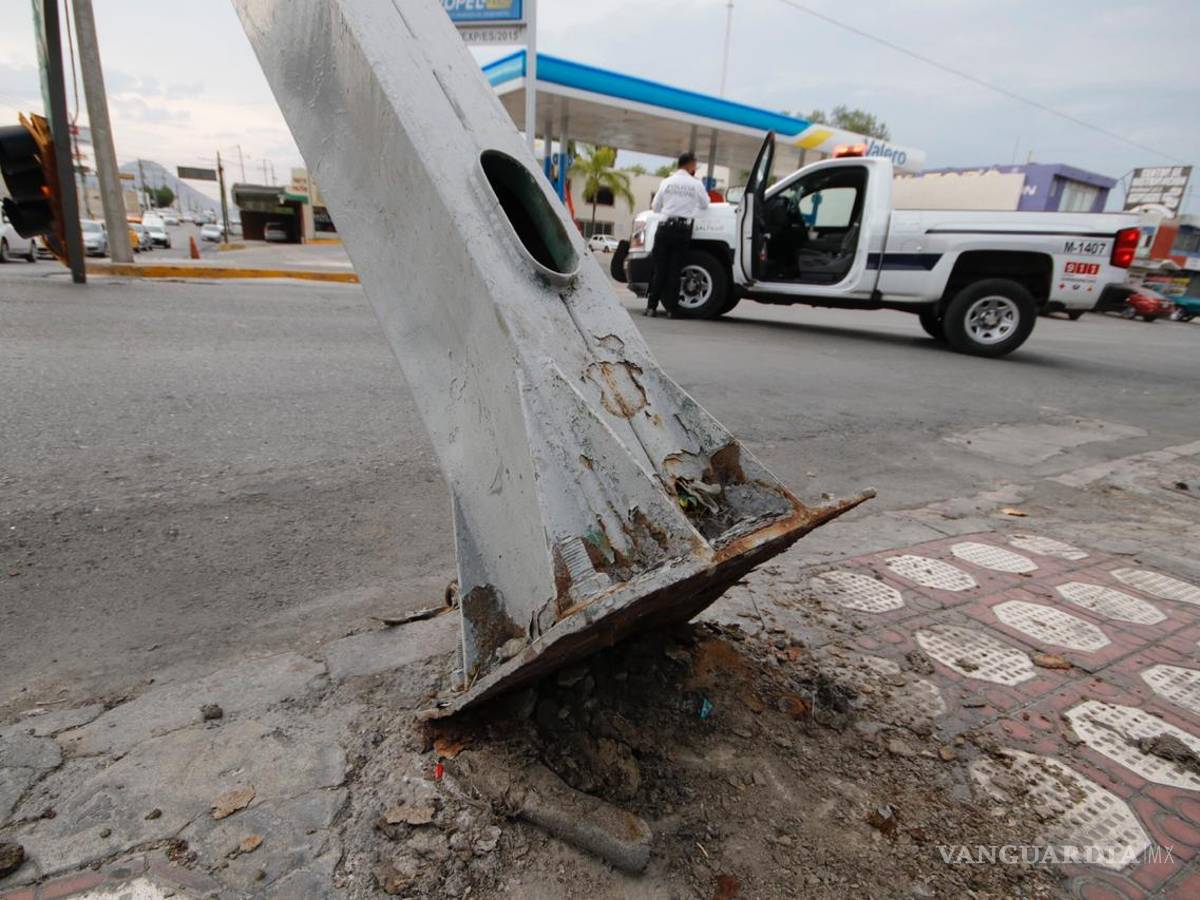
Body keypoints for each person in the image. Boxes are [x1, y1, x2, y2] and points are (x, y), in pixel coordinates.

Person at [646, 151, 710, 317]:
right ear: (690, 165)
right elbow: (705, 204)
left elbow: (655, 207)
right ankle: (671, 310)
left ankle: (651, 307)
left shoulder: (666, 182)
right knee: (675, 270)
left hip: (664, 227)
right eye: (695, 164)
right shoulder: (696, 184)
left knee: (659, 269)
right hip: (682, 230)